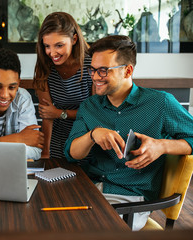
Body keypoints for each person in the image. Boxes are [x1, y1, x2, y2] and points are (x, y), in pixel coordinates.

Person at [64, 35, 193, 230]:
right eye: (93, 69)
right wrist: (93, 135)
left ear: (127, 70)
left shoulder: (160, 103)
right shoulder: (89, 107)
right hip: (88, 189)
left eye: (103, 70)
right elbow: (71, 153)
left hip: (130, 199)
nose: (95, 77)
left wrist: (162, 146)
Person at [33, 12, 93, 159]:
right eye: (47, 46)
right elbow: (47, 115)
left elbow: (95, 113)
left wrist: (60, 113)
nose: (52, 53)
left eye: (59, 45)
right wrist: (45, 153)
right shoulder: (45, 68)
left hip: (88, 141)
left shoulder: (91, 65)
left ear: (74, 39)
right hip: (58, 142)